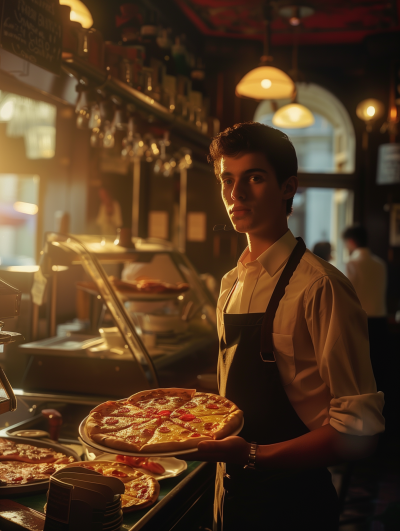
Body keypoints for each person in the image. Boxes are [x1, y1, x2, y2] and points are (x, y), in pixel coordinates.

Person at [194, 122, 384, 531]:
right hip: (229, 497)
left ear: (287, 187)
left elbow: (360, 431)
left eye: (254, 178)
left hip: (293, 506)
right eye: (227, 179)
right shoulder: (231, 282)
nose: (236, 194)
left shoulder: (322, 287)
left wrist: (251, 455)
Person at [342, 224, 387, 392]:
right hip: (381, 323)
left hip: (360, 323)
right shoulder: (380, 264)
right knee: (379, 371)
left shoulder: (351, 264)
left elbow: (346, 297)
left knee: (361, 373)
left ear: (351, 242)